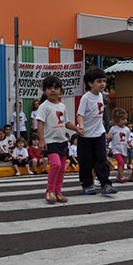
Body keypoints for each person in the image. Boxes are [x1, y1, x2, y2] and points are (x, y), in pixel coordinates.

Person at [37, 75, 83, 204]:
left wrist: (76, 129)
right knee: (56, 164)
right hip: (50, 142)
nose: (53, 90)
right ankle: (49, 190)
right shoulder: (44, 106)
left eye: (56, 88)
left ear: (60, 90)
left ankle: (58, 191)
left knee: (62, 168)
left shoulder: (62, 106)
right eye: (49, 88)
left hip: (62, 141)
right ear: (45, 91)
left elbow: (66, 122)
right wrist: (42, 140)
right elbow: (39, 124)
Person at [76, 67, 117, 195]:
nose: (102, 84)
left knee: (102, 160)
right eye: (99, 81)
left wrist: (106, 130)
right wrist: (81, 126)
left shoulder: (101, 96)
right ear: (90, 83)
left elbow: (103, 114)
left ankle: (105, 184)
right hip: (86, 136)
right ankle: (87, 184)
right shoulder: (86, 98)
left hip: (99, 133)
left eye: (104, 81)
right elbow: (80, 114)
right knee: (86, 162)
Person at [107, 108, 131, 183]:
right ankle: (121, 176)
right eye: (122, 119)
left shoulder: (127, 129)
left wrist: (129, 143)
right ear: (117, 121)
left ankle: (120, 175)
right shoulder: (114, 128)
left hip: (123, 148)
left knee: (123, 163)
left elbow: (127, 138)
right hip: (116, 148)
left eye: (125, 119)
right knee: (120, 162)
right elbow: (110, 136)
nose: (125, 121)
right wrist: (107, 140)